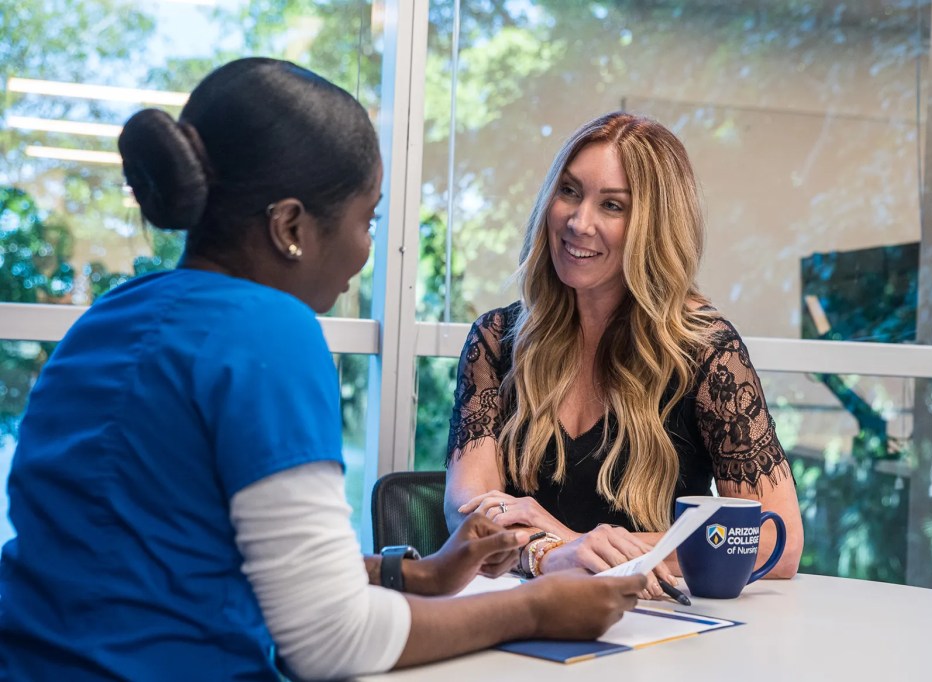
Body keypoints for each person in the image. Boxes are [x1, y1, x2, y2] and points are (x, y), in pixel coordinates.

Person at [0, 59, 646, 681]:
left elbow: (167, 555)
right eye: (367, 219)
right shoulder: (267, 330)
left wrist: (417, 575)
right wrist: (535, 609)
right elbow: (330, 641)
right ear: (290, 227)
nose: (368, 249)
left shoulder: (111, 315)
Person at [445, 112, 804, 595]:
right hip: (520, 617)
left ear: (654, 228)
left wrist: (574, 542)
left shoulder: (706, 353)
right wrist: (550, 554)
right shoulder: (495, 339)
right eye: (569, 191)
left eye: (612, 205)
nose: (579, 221)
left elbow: (775, 541)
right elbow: (469, 510)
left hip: (654, 628)